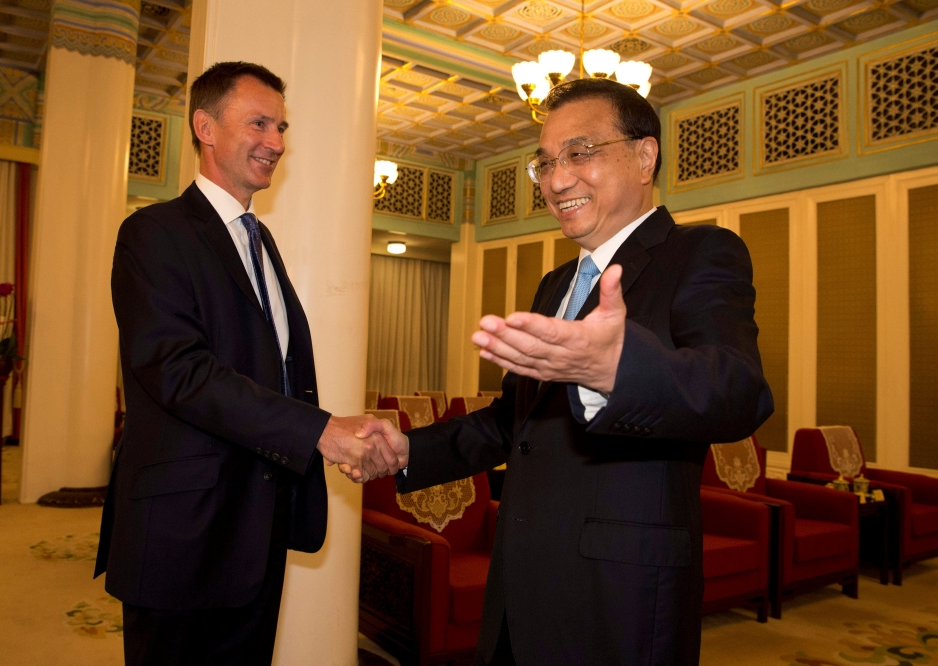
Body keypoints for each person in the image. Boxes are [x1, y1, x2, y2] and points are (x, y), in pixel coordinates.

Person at [359, 78, 773, 665]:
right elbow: (515, 422)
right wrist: (408, 450)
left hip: (617, 596)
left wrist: (616, 370)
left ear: (645, 155)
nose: (556, 180)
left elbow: (740, 391)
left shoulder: (701, 253)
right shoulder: (556, 283)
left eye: (580, 153)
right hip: (517, 585)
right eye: (545, 162)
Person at [95, 61, 407, 666]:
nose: (277, 143)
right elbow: (178, 371)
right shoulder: (153, 233)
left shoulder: (259, 242)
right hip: (185, 531)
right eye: (259, 123)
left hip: (258, 525)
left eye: (282, 127)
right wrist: (319, 431)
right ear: (205, 127)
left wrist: (331, 434)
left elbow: (273, 375)